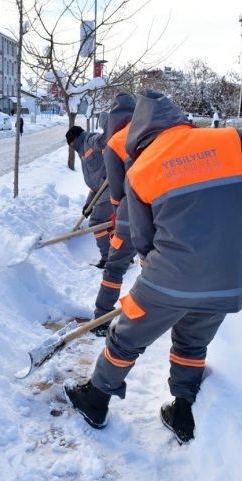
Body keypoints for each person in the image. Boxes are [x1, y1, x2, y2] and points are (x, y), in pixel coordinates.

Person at [65, 90, 242, 445]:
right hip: (226, 282)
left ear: (140, 133)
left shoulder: (142, 170)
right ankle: (182, 409)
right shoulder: (227, 140)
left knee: (125, 339)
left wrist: (157, 283)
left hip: (169, 278)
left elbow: (144, 241)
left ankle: (96, 398)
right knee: (192, 345)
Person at [90, 92, 137, 338]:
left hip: (131, 210)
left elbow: (116, 192)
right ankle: (140, 322)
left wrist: (119, 215)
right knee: (151, 267)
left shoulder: (114, 140)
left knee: (114, 267)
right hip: (162, 208)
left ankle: (100, 320)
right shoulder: (148, 129)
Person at [65, 115, 112, 269]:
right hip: (100, 191)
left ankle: (108, 259)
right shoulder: (81, 151)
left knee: (97, 222)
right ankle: (119, 255)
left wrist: (110, 127)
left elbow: (103, 140)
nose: (72, 146)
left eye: (71, 143)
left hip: (111, 188)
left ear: (76, 138)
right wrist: (88, 203)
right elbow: (94, 183)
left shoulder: (89, 141)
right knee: (107, 223)